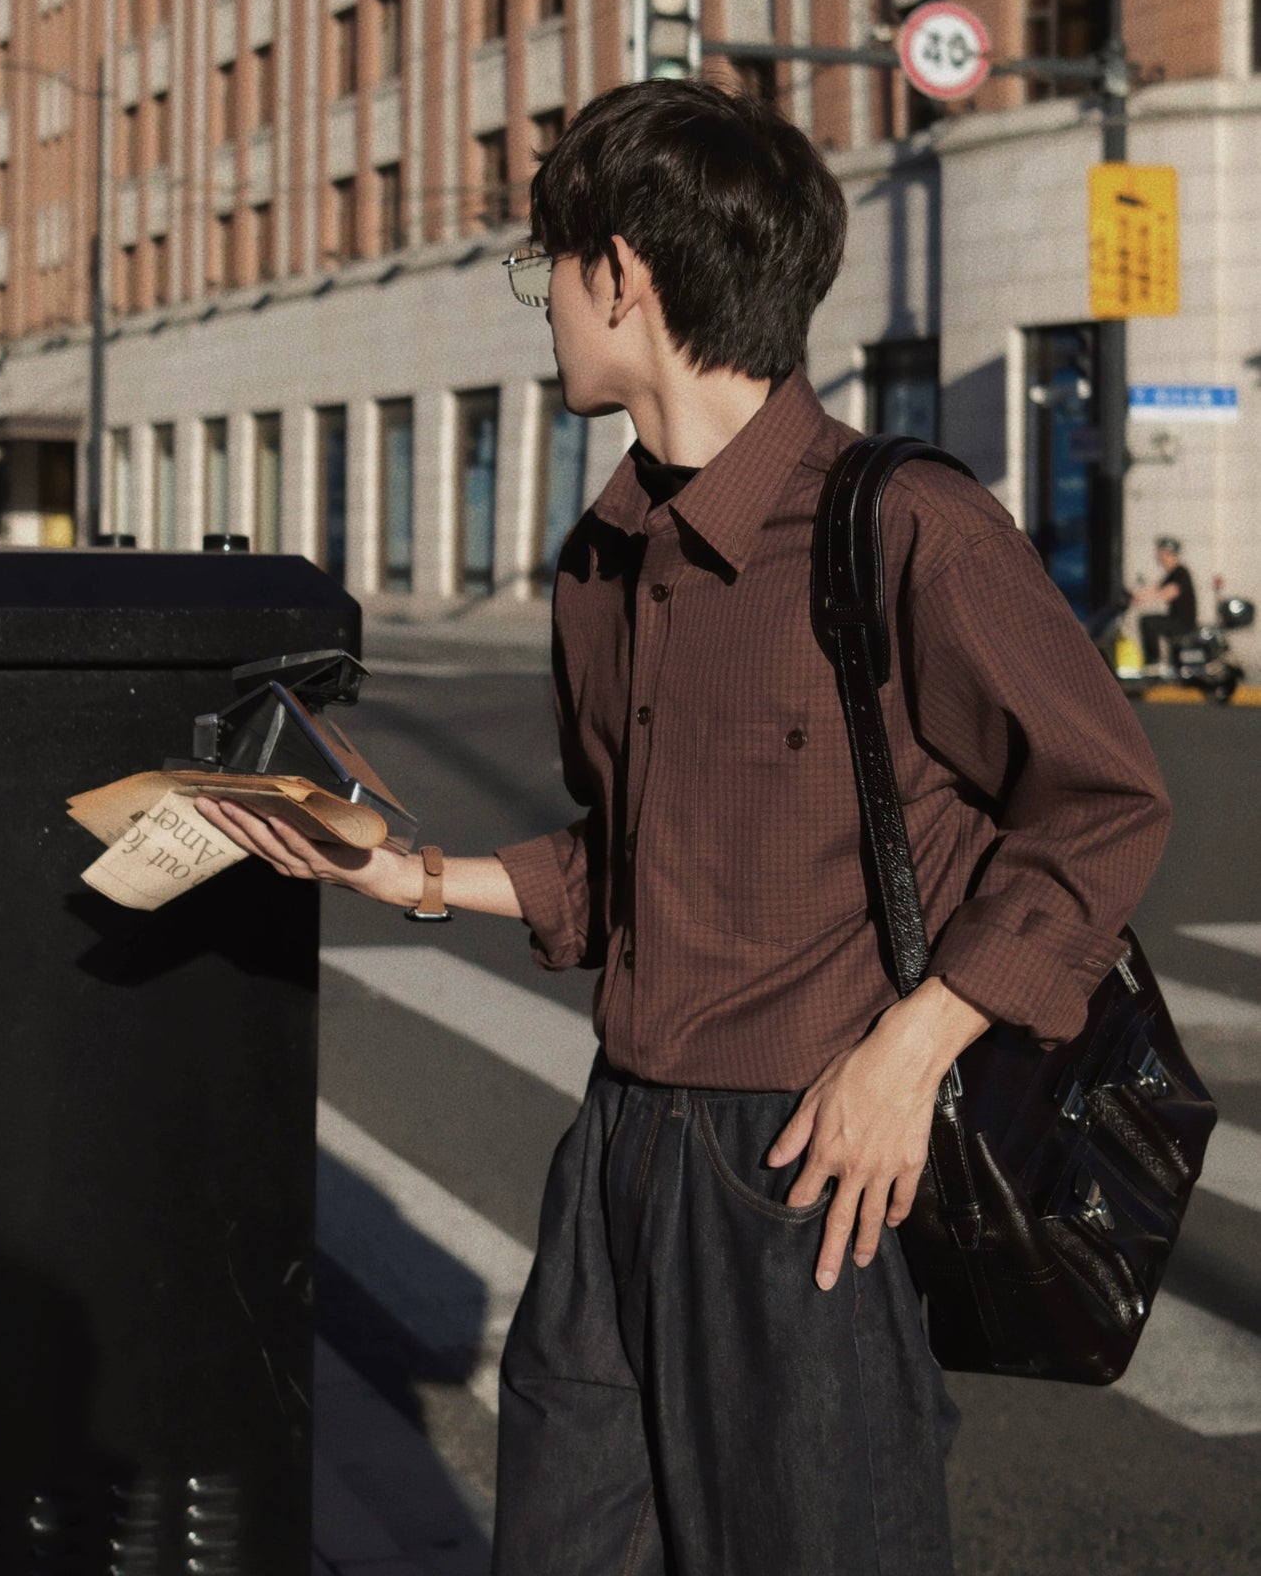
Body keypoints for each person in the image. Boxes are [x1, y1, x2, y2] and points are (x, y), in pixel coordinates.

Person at [195, 80, 1171, 1575]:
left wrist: (908, 1055)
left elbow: (1101, 804)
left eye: (547, 269)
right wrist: (411, 874)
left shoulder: (903, 527)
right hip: (620, 1150)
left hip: (811, 1162)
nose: (545, 307)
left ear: (622, 275)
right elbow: (632, 859)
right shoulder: (608, 556)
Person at [1130, 535, 1198, 668]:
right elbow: (1156, 589)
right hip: (1176, 619)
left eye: (1160, 553)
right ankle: (1153, 661)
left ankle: (1153, 662)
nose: (1158, 557)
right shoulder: (1172, 574)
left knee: (1148, 622)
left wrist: (1145, 599)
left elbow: (1169, 592)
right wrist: (1134, 596)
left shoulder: (1181, 572)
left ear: (1169, 554)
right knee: (1148, 620)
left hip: (1183, 623)